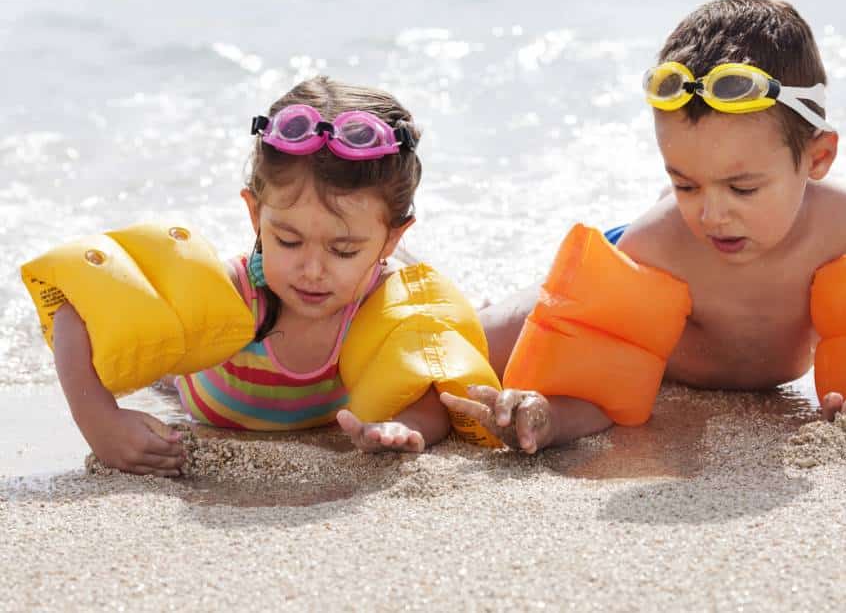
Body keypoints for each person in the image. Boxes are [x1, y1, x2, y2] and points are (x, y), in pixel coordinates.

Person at [441, 0, 846, 453]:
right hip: (621, 268)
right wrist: (545, 418)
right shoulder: (656, 248)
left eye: (742, 189)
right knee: (462, 348)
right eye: (685, 184)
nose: (711, 216)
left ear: (818, 158)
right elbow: (602, 386)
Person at [26, 76, 501, 476]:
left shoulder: (385, 308)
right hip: (188, 382)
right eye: (288, 241)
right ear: (255, 215)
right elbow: (76, 316)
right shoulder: (232, 293)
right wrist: (100, 422)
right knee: (163, 361)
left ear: (391, 238)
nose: (312, 270)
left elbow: (429, 390)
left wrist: (405, 427)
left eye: (343, 250)